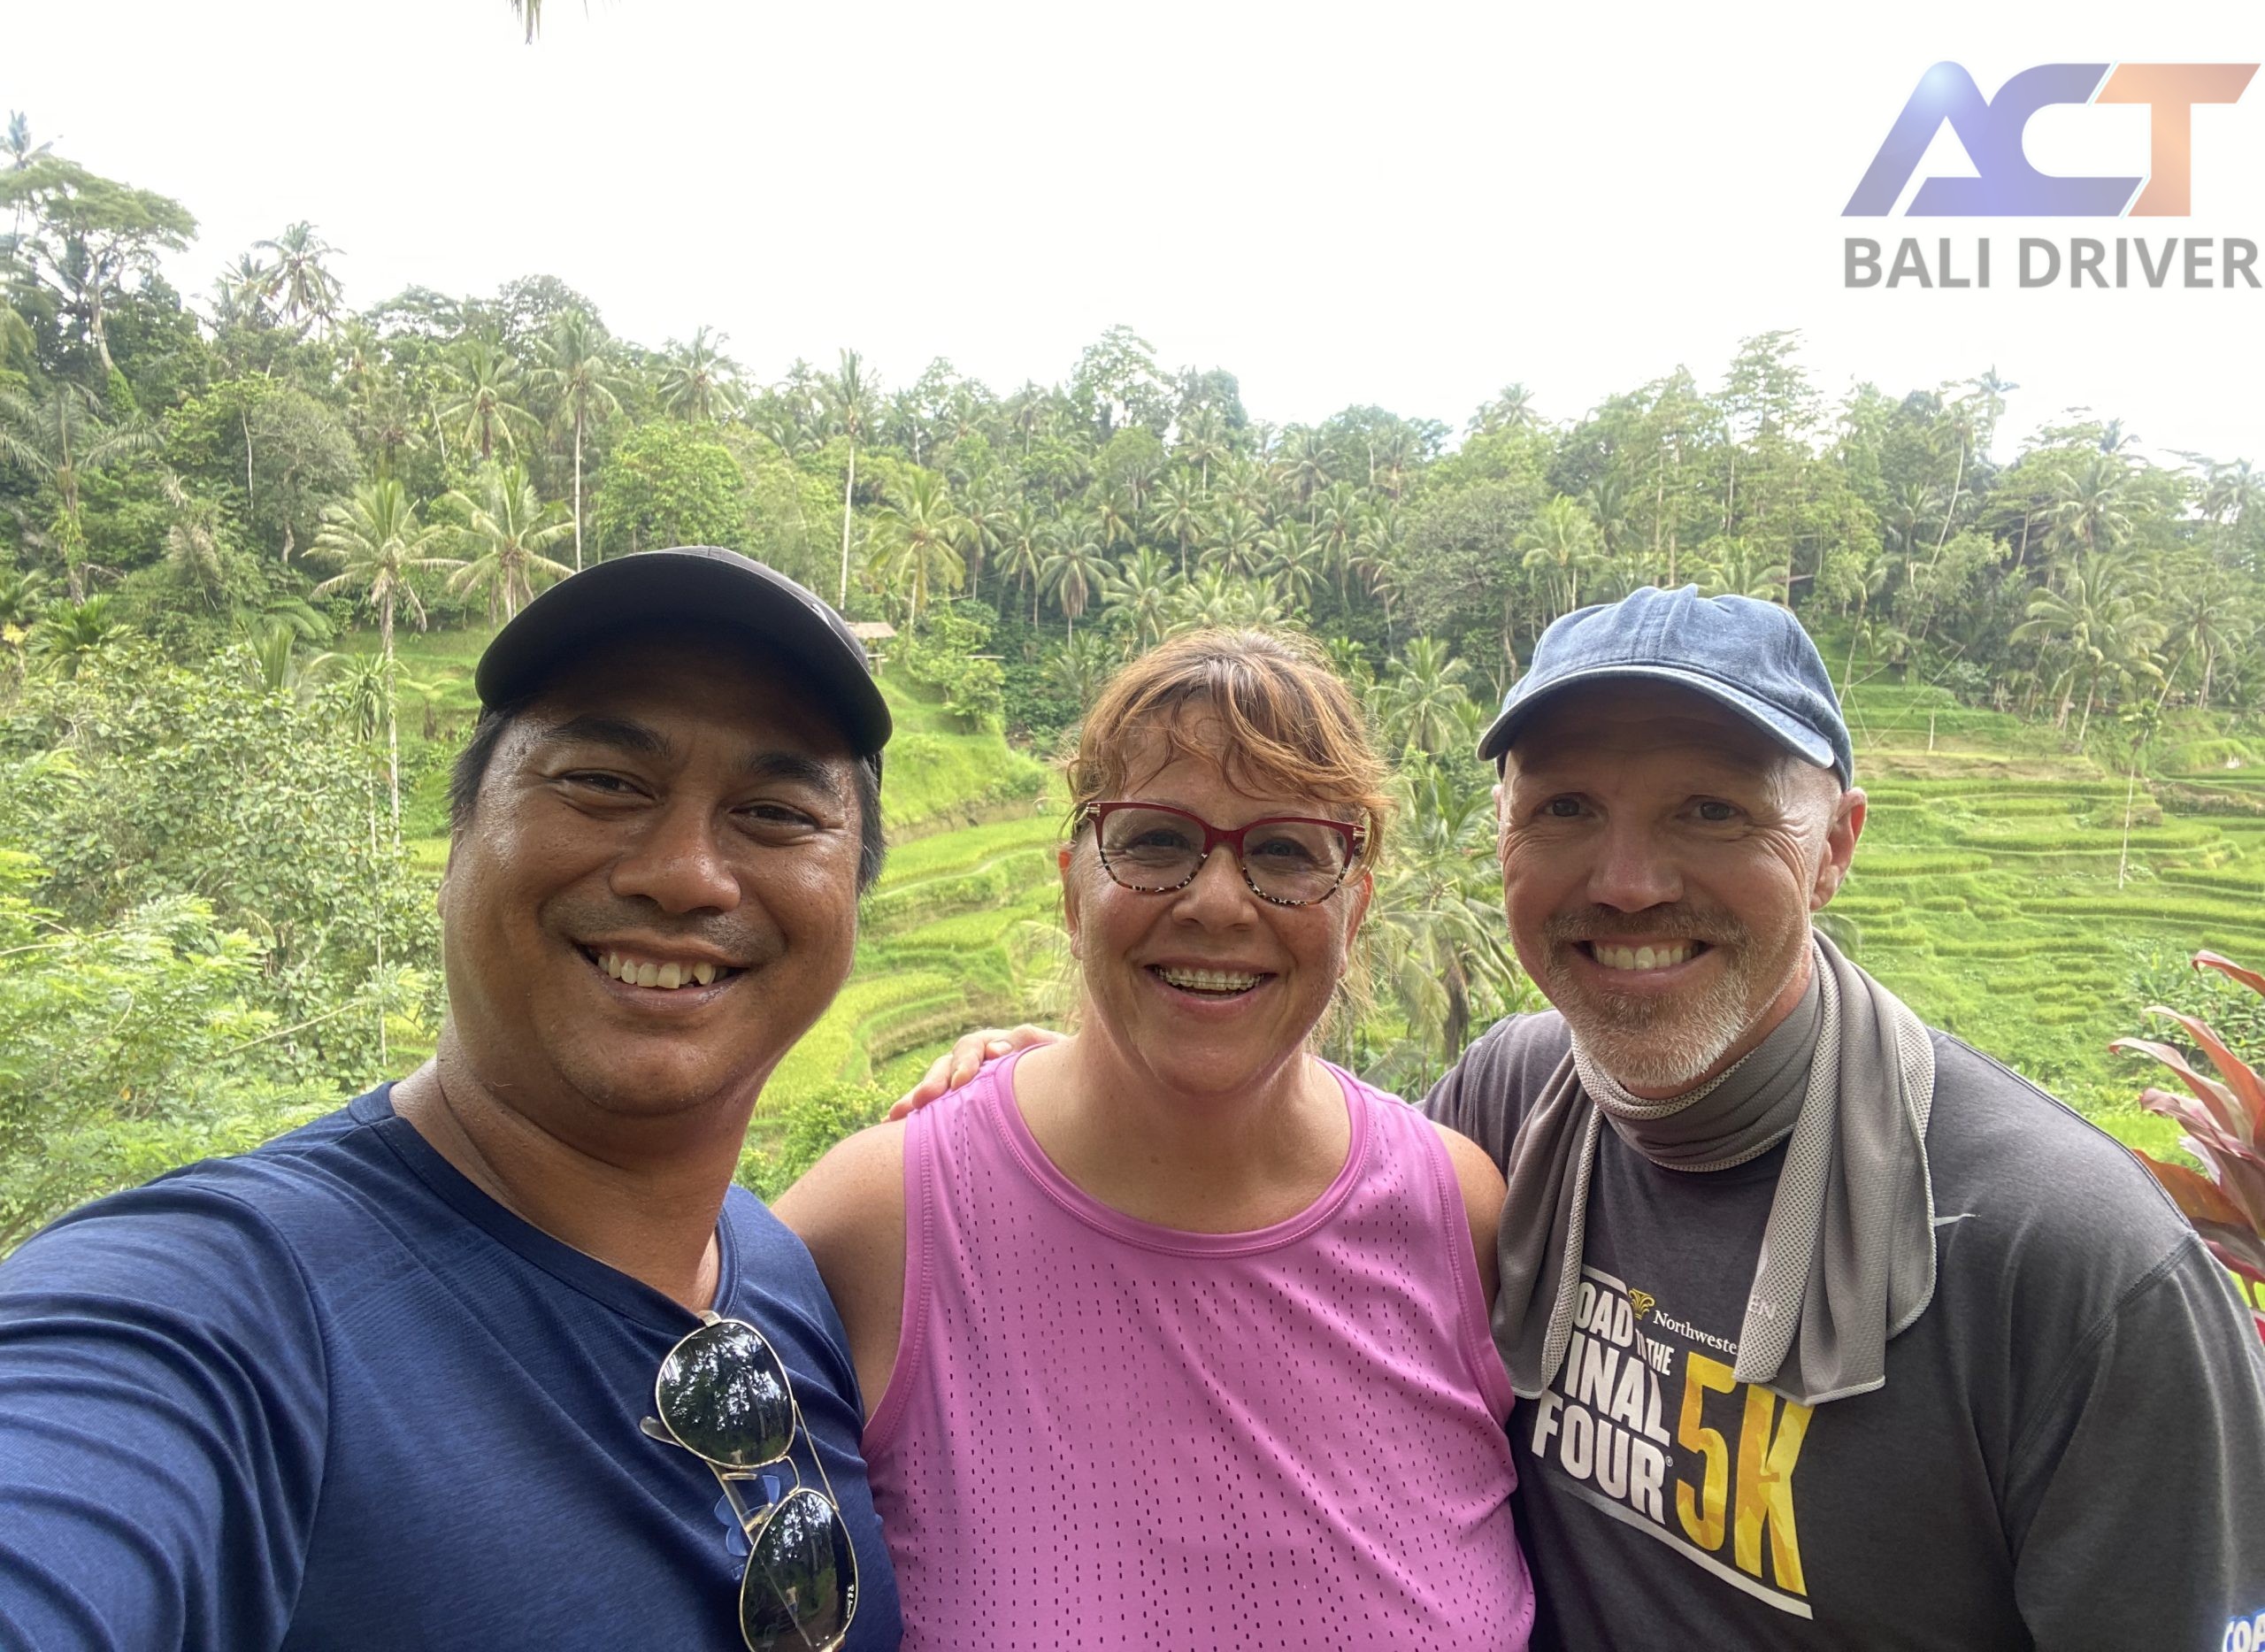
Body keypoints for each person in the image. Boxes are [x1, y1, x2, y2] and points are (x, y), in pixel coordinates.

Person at [907, 587, 2265, 1649]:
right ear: (1504, 835)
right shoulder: (1509, 1105)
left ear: (1836, 846)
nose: (1626, 881)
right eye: (1565, 808)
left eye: (1710, 811)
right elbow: (1289, 1224)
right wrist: (1083, 1080)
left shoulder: (2068, 1263)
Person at [0, 548, 903, 1652]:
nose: (683, 874)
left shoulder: (777, 1273)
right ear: (458, 841)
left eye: (774, 812)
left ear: (850, 900)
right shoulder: (220, 1309)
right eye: (604, 782)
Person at [777, 627, 1533, 1649]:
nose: (1217, 901)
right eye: (1155, 841)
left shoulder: (1460, 1213)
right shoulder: (879, 1225)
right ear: (1071, 887)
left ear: (1353, 907)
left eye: (1285, 851)